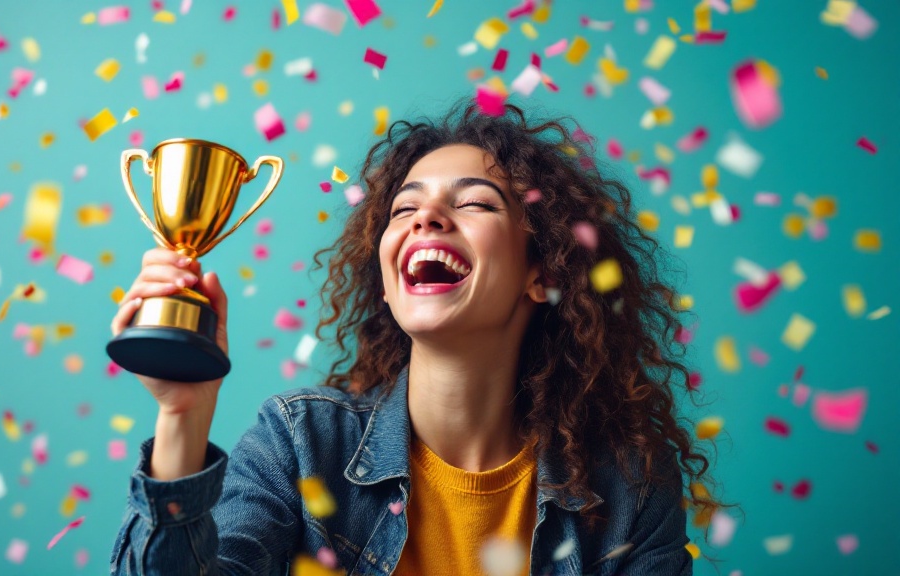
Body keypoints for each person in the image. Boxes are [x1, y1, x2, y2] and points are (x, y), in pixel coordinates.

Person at [108, 100, 728, 576]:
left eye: (477, 204)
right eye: (404, 210)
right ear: (386, 276)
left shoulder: (629, 486)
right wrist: (182, 416)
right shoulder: (300, 445)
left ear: (544, 271)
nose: (427, 218)